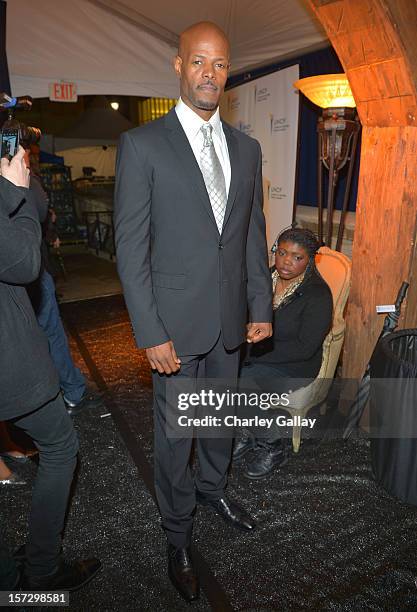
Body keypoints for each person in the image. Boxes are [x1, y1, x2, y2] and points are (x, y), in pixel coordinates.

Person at [114, 21, 272, 602]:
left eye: (221, 65)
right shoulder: (143, 144)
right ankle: (176, 534)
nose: (210, 74)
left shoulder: (248, 149)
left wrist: (261, 304)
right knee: (176, 435)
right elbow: (130, 249)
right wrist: (149, 330)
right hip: (174, 329)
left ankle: (214, 489)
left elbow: (252, 234)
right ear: (179, 66)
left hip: (231, 320)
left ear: (228, 73)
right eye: (199, 62)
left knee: (220, 421)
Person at [0, 146, 101, 590]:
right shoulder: (15, 184)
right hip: (9, 357)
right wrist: (15, 191)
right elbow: (23, 261)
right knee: (60, 447)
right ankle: (41, 569)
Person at [234, 227, 333, 478]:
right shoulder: (265, 278)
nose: (287, 261)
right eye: (282, 252)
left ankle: (272, 444)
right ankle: (247, 433)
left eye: (297, 257)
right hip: (257, 355)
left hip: (296, 365)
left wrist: (251, 352)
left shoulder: (318, 294)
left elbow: (305, 347)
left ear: (309, 260)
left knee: (239, 385)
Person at [24, 149, 102, 417]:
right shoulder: (21, 177)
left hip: (24, 272)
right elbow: (41, 208)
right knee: (51, 334)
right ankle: (71, 392)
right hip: (31, 271)